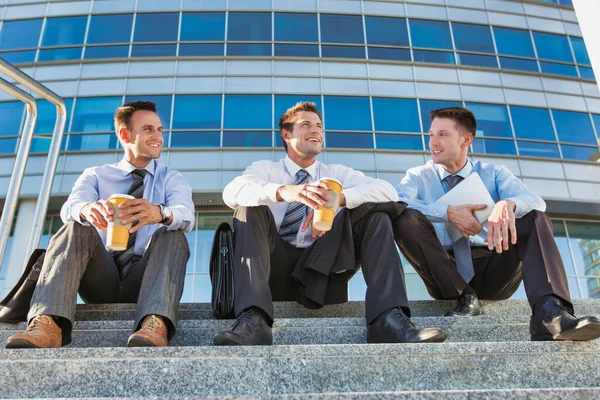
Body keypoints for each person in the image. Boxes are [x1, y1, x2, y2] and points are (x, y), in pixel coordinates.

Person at [213, 101, 447, 346]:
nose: (315, 130)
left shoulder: (336, 173)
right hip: (272, 270)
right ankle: (253, 321)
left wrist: (341, 199)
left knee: (376, 215)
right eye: (305, 125)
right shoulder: (266, 169)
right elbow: (232, 191)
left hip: (321, 269)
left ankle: (387, 320)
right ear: (286, 134)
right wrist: (286, 191)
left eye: (319, 126)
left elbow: (388, 192)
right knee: (247, 208)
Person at [393, 106, 600, 341]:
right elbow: (399, 203)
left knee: (534, 217)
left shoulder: (494, 173)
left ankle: (549, 313)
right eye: (431, 134)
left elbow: (536, 202)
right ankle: (465, 296)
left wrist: (509, 204)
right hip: (444, 274)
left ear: (466, 139)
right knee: (404, 217)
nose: (433, 142)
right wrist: (447, 212)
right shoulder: (418, 176)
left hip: (495, 267)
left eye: (442, 134)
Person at [5, 100, 194, 349]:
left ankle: (155, 322)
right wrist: (86, 209)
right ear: (125, 134)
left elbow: (186, 214)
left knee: (173, 233)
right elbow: (70, 207)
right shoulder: (96, 174)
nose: (158, 136)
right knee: (75, 226)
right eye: (148, 129)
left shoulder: (171, 178)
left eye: (159, 130)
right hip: (100, 276)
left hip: (146, 278)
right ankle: (48, 324)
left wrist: (160, 213)